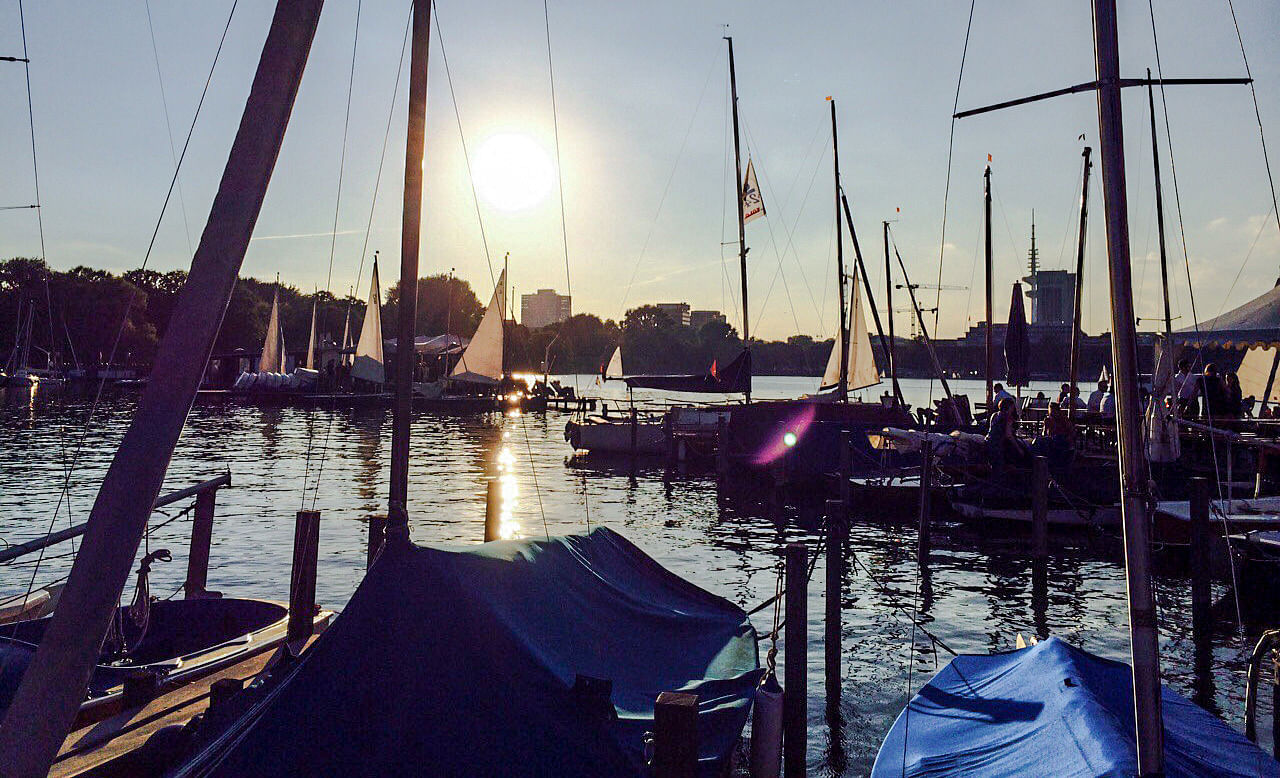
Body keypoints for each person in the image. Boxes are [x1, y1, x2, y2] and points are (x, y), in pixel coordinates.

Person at [986, 396, 1025, 470]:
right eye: (1012, 407)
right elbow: (1008, 435)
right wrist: (1019, 449)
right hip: (998, 445)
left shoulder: (994, 415)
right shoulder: (1008, 418)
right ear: (1009, 407)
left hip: (989, 441)